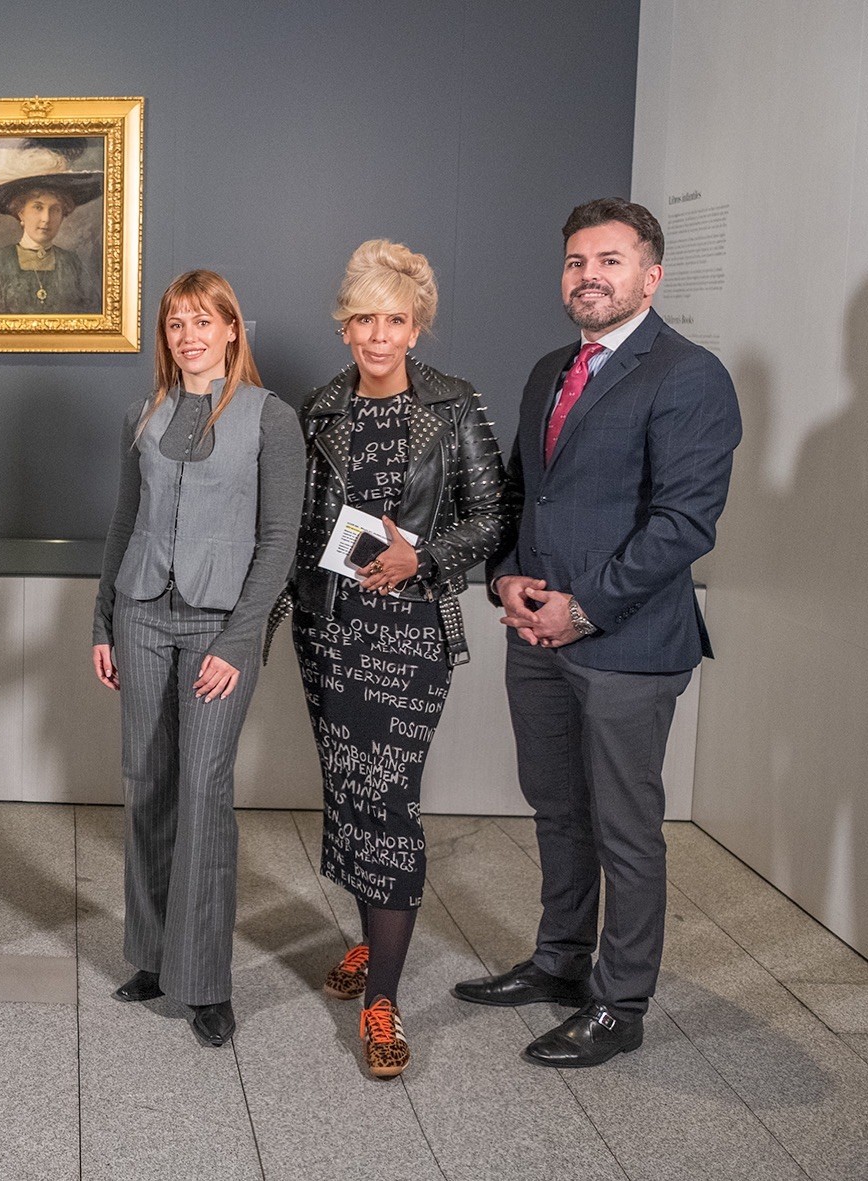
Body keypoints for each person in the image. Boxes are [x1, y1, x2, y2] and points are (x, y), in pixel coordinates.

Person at [454, 198, 741, 1068]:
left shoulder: (689, 375)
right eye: (577, 261)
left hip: (625, 643)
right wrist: (505, 576)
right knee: (558, 807)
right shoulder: (551, 369)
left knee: (626, 827)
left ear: (652, 276)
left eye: (610, 261)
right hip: (536, 634)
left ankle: (621, 1004)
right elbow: (523, 492)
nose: (590, 276)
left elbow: (684, 524)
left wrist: (581, 608)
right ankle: (560, 960)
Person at [287, 240, 509, 1079]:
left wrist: (426, 556)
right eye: (364, 319)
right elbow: (300, 521)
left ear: (416, 328)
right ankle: (370, 942)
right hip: (329, 629)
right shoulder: (320, 409)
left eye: (395, 320)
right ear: (344, 326)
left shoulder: (454, 404)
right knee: (349, 791)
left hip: (410, 635)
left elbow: (493, 515)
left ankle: (382, 999)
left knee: (388, 798)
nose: (378, 335)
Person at [92, 270, 305, 1047]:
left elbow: (279, 540)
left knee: (204, 791)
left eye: (202, 321)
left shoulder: (270, 418)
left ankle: (204, 980)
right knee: (147, 784)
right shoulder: (142, 413)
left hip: (221, 627)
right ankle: (152, 957)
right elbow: (124, 523)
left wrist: (239, 640)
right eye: (176, 324)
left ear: (231, 329)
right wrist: (101, 622)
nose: (188, 336)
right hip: (142, 613)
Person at [0, 170, 101, 315]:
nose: (46, 218)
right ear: (21, 213)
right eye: (38, 207)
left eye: (55, 209)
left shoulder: (74, 264)